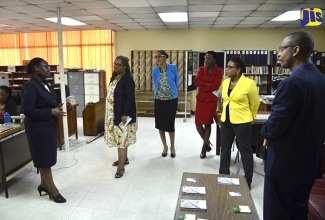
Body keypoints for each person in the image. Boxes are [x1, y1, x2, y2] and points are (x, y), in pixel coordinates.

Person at [261, 32, 325, 220]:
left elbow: (273, 128)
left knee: (277, 214)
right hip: (308, 164)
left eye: (282, 49)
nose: (278, 54)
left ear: (296, 50)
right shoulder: (321, 79)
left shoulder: (291, 83)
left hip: (284, 166)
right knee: (299, 213)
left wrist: (264, 129)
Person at [22, 57, 66, 203]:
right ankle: (53, 191)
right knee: (44, 160)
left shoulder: (46, 84)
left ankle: (43, 185)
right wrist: (50, 112)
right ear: (36, 68)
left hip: (48, 125)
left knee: (46, 157)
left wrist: (56, 108)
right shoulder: (31, 85)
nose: (49, 69)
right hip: (37, 128)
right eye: (45, 67)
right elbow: (28, 110)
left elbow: (46, 103)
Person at [218, 56, 260, 189]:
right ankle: (223, 175)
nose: (227, 69)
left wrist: (250, 117)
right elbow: (224, 100)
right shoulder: (225, 83)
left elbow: (255, 103)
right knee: (224, 149)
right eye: (227, 66)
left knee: (244, 150)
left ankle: (247, 181)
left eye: (230, 67)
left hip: (242, 122)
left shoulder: (249, 83)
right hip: (226, 120)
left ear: (238, 70)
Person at [104, 56, 137, 178]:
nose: (116, 66)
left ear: (125, 67)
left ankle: (121, 168)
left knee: (121, 140)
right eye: (115, 64)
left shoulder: (127, 79)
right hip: (112, 114)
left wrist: (125, 114)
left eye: (119, 65)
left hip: (121, 114)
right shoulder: (115, 77)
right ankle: (124, 159)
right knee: (120, 139)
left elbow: (129, 98)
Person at [194, 51, 223, 159]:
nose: (206, 60)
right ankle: (207, 143)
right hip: (201, 99)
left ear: (214, 60)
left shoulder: (219, 71)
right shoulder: (201, 69)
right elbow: (196, 82)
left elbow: (216, 85)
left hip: (211, 101)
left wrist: (204, 84)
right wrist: (208, 84)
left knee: (207, 123)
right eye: (206, 58)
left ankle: (203, 148)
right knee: (197, 123)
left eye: (209, 58)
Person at [152, 50, 178, 158]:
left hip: (171, 100)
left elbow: (176, 81)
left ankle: (172, 146)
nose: (157, 58)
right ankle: (165, 146)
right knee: (160, 125)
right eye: (156, 57)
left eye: (159, 56)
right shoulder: (155, 70)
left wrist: (174, 93)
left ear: (165, 57)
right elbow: (155, 83)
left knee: (170, 125)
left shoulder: (172, 68)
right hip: (159, 100)